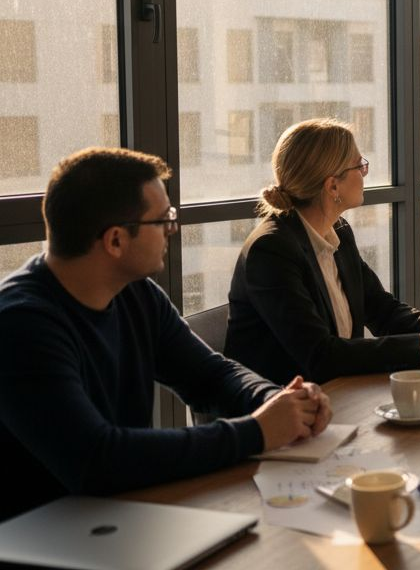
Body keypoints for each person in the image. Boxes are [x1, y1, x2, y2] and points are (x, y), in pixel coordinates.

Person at [0, 147, 331, 520]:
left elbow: (210, 375)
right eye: (163, 220)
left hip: (119, 513)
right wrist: (257, 432)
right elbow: (97, 459)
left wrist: (279, 402)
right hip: (40, 533)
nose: (172, 230)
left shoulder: (135, 293)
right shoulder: (21, 325)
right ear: (115, 240)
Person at [227, 119, 420, 384]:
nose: (364, 173)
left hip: (337, 392)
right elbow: (321, 355)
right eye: (360, 165)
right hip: (283, 402)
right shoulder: (271, 251)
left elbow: (380, 308)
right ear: (332, 186)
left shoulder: (337, 230)